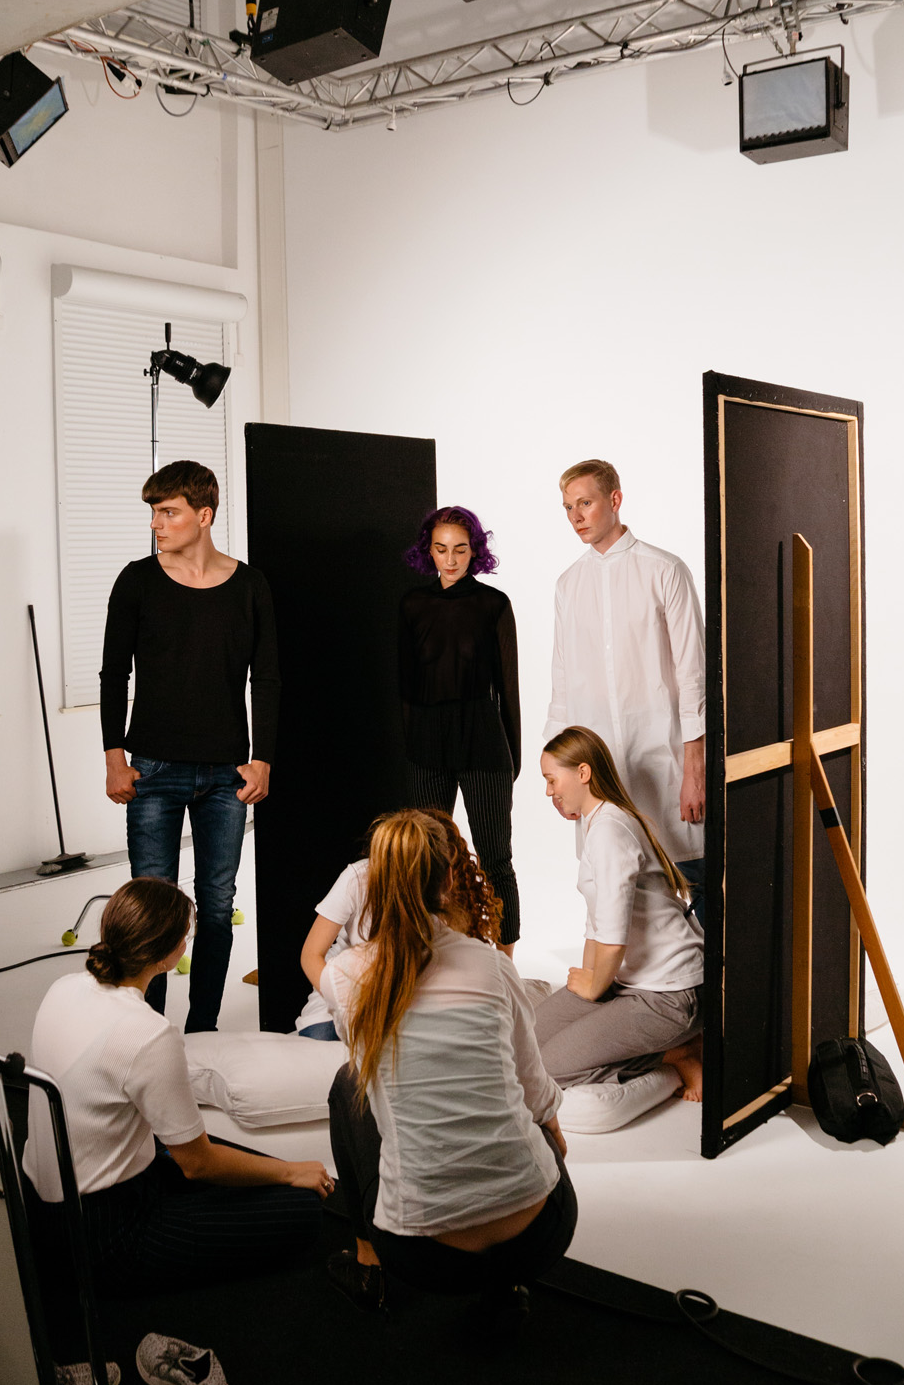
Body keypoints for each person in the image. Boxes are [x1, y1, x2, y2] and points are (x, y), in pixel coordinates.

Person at [22, 877, 332, 1301]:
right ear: (169, 955)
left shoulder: (64, 987)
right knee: (301, 1210)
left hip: (42, 1205)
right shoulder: (148, 1033)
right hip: (104, 1234)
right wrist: (291, 1170)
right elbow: (198, 1164)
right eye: (186, 936)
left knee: (244, 1167)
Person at [322, 811, 577, 1316]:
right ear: (447, 882)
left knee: (349, 1083)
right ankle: (504, 1289)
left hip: (423, 1257)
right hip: (537, 1236)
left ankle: (369, 1264)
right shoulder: (492, 964)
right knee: (532, 1118)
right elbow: (534, 1088)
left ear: (374, 887)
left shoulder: (344, 976)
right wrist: (551, 1134)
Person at [99, 460, 280, 1032]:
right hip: (153, 770)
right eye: (154, 512)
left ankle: (203, 1030)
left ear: (204, 515)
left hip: (226, 774)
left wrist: (262, 758)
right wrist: (114, 757)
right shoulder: (137, 580)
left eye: (168, 512)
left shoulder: (249, 585)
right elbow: (113, 674)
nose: (156, 523)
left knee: (218, 907)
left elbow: (267, 679)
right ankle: (147, 1030)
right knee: (151, 910)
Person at [544, 459, 707, 921]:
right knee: (611, 886)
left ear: (614, 499)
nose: (576, 516)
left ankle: (710, 969)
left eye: (585, 503)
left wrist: (694, 770)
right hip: (598, 771)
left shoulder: (664, 570)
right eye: (568, 507)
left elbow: (693, 676)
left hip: (662, 759)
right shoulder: (568, 585)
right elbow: (561, 683)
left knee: (696, 877)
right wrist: (558, 778)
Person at [534, 727, 704, 1104]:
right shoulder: (596, 822)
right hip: (627, 983)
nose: (548, 791)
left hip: (668, 994)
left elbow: (613, 939)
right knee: (526, 1044)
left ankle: (679, 1054)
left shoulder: (610, 830)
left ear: (583, 772)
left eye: (551, 779)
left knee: (547, 1067)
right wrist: (588, 983)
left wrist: (594, 988)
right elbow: (597, 921)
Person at [399, 505, 522, 955]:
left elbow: (508, 688)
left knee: (495, 859)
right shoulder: (413, 605)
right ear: (428, 551)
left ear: (475, 551)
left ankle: (505, 965)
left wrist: (513, 759)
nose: (450, 560)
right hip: (427, 745)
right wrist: (413, 750)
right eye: (441, 549)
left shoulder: (493, 605)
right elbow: (405, 688)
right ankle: (434, 957)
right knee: (425, 860)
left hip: (483, 742)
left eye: (460, 549)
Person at [296, 809, 504, 1039]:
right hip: (342, 1001)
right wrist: (346, 1003)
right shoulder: (358, 878)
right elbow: (311, 955)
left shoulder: (441, 891)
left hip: (406, 1007)